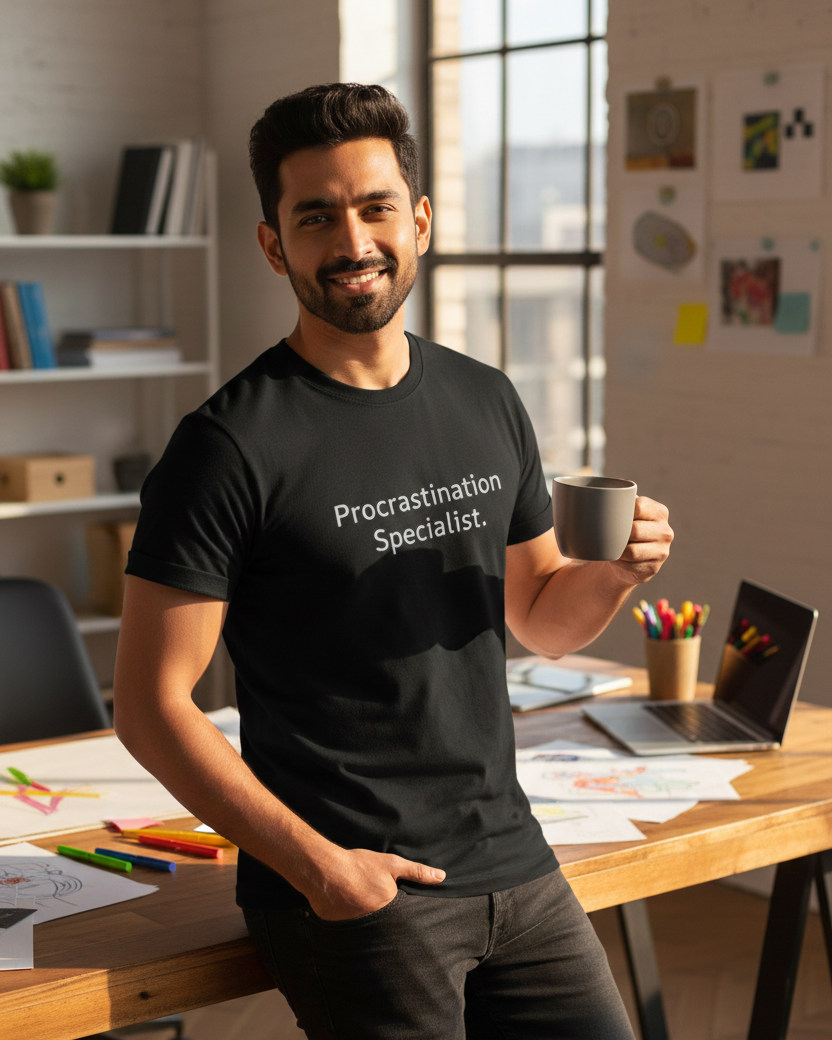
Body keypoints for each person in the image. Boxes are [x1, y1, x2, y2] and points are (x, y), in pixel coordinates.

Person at [114, 82, 673, 1040]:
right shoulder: (226, 448)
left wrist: (616, 574)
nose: (353, 241)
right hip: (359, 890)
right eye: (316, 217)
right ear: (274, 245)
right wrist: (320, 868)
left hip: (515, 860)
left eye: (375, 208)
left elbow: (540, 614)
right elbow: (151, 706)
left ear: (418, 221)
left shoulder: (486, 400)